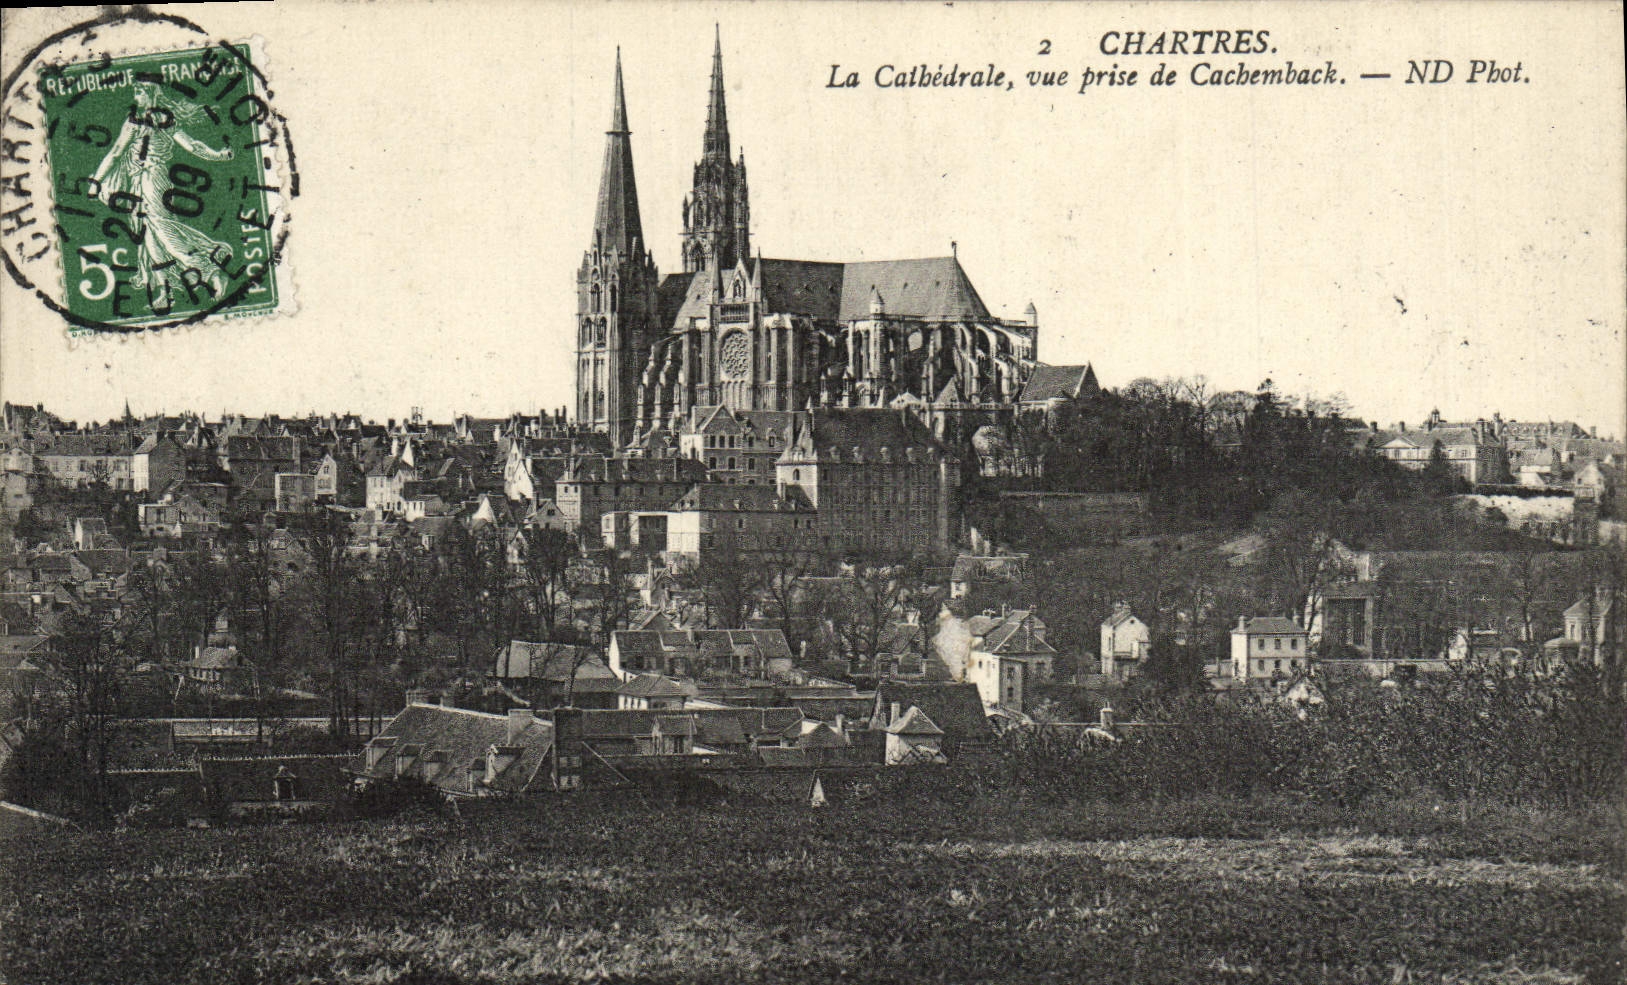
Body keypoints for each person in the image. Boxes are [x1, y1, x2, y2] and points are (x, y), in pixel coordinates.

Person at [89, 81, 236, 308]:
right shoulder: (164, 120)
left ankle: (210, 270)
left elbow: (116, 152)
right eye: (135, 92)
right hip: (144, 181)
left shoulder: (138, 122)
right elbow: (193, 146)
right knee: (149, 236)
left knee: (162, 229)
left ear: (151, 95)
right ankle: (165, 291)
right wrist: (218, 155)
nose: (136, 97)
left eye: (140, 92)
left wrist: (96, 181)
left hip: (151, 179)